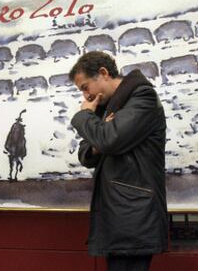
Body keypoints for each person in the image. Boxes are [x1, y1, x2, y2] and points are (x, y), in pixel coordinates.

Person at [69, 51, 168, 271]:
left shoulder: (143, 97)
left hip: (134, 216)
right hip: (119, 215)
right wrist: (100, 135)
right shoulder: (109, 108)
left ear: (103, 73)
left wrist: (85, 117)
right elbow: (86, 153)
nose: (86, 96)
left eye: (85, 87)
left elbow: (109, 140)